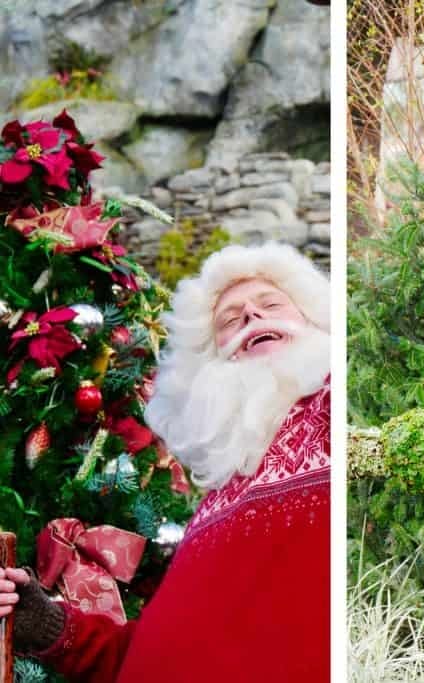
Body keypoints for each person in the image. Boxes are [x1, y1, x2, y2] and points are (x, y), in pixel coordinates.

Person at [0, 242, 330, 682]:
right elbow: (159, 650)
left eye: (271, 305)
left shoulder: (330, 410)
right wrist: (47, 625)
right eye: (229, 320)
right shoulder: (217, 495)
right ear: (210, 367)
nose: (251, 315)